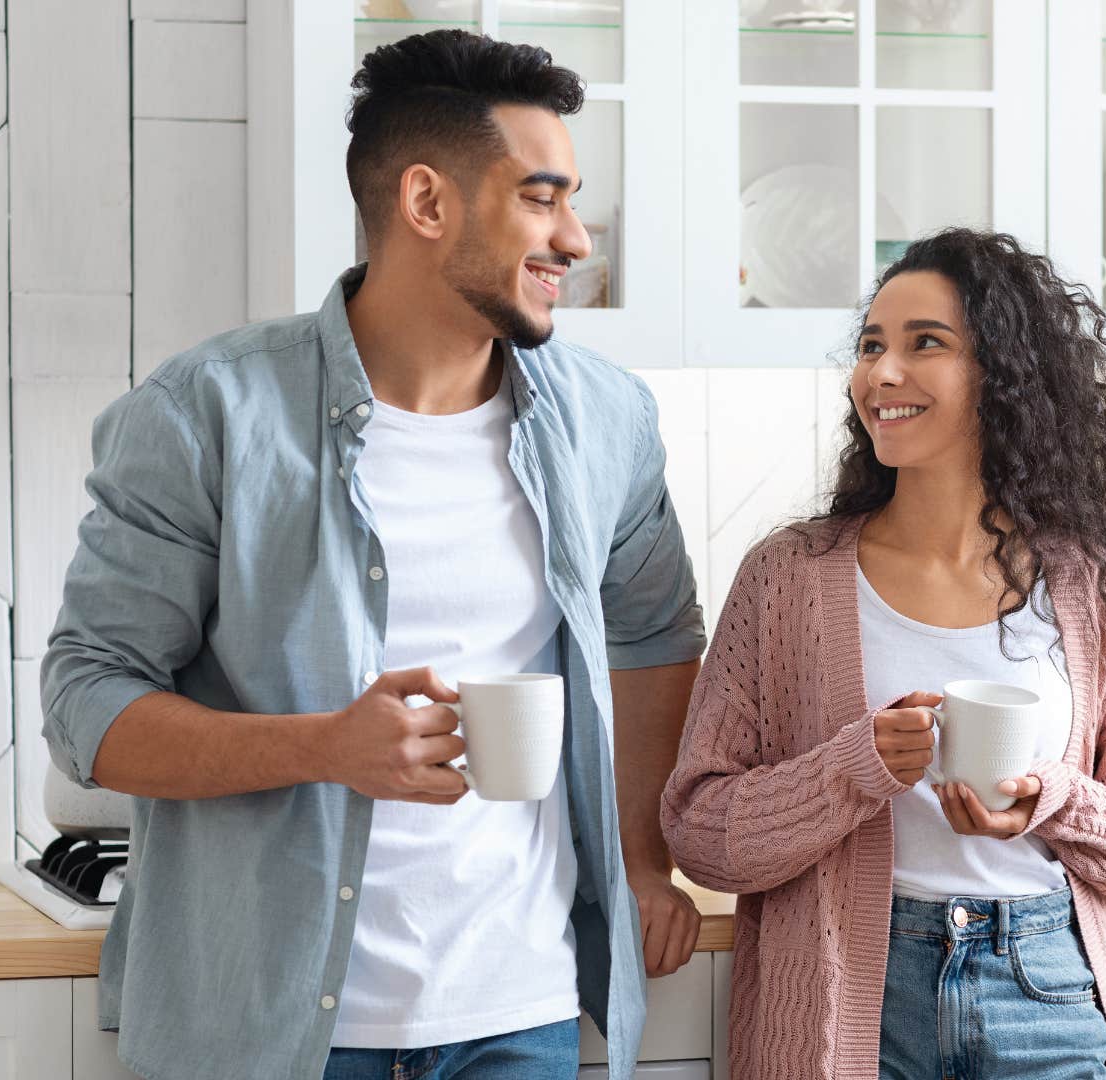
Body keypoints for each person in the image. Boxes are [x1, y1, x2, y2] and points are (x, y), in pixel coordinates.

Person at [42, 30, 703, 1080]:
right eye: (541, 199)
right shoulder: (209, 414)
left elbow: (655, 636)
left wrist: (641, 859)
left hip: (519, 1014)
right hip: (269, 1030)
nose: (575, 238)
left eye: (573, 202)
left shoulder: (606, 420)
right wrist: (324, 748)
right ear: (427, 202)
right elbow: (87, 703)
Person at [661, 227, 1106, 1079]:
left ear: (1005, 375)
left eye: (925, 344)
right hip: (845, 1000)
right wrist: (852, 768)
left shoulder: (1092, 584)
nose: (882, 373)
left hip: (1043, 993)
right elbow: (699, 830)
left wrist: (1050, 800)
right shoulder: (788, 577)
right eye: (871, 345)